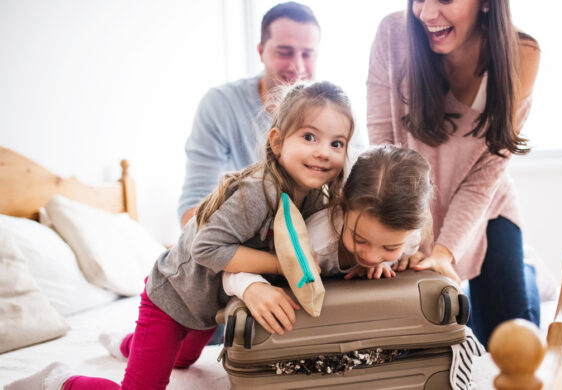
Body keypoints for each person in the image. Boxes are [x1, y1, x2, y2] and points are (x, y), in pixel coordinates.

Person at [6, 80, 355, 390]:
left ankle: (127, 344)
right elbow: (208, 248)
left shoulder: (313, 197)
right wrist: (282, 265)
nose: (324, 151)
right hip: (171, 298)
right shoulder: (257, 191)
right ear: (277, 142)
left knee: (183, 362)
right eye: (310, 137)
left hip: (208, 305)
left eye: (336, 143)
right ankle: (59, 379)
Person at [366, 0, 541, 346]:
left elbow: (484, 178)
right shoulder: (393, 35)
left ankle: (528, 270)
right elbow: (383, 150)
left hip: (486, 207)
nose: (427, 14)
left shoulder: (522, 54)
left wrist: (445, 252)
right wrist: (405, 236)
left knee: (510, 338)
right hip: (412, 205)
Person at [222, 144, 460, 335]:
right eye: (360, 239)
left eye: (389, 247)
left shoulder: (409, 237)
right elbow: (230, 268)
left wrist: (394, 261)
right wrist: (251, 287)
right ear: (343, 206)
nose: (370, 256)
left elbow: (402, 252)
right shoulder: (315, 242)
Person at [177, 1, 321, 228]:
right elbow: (193, 208)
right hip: (239, 243)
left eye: (307, 54)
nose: (297, 66)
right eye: (284, 52)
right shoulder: (220, 106)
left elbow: (355, 187)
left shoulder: (334, 111)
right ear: (261, 52)